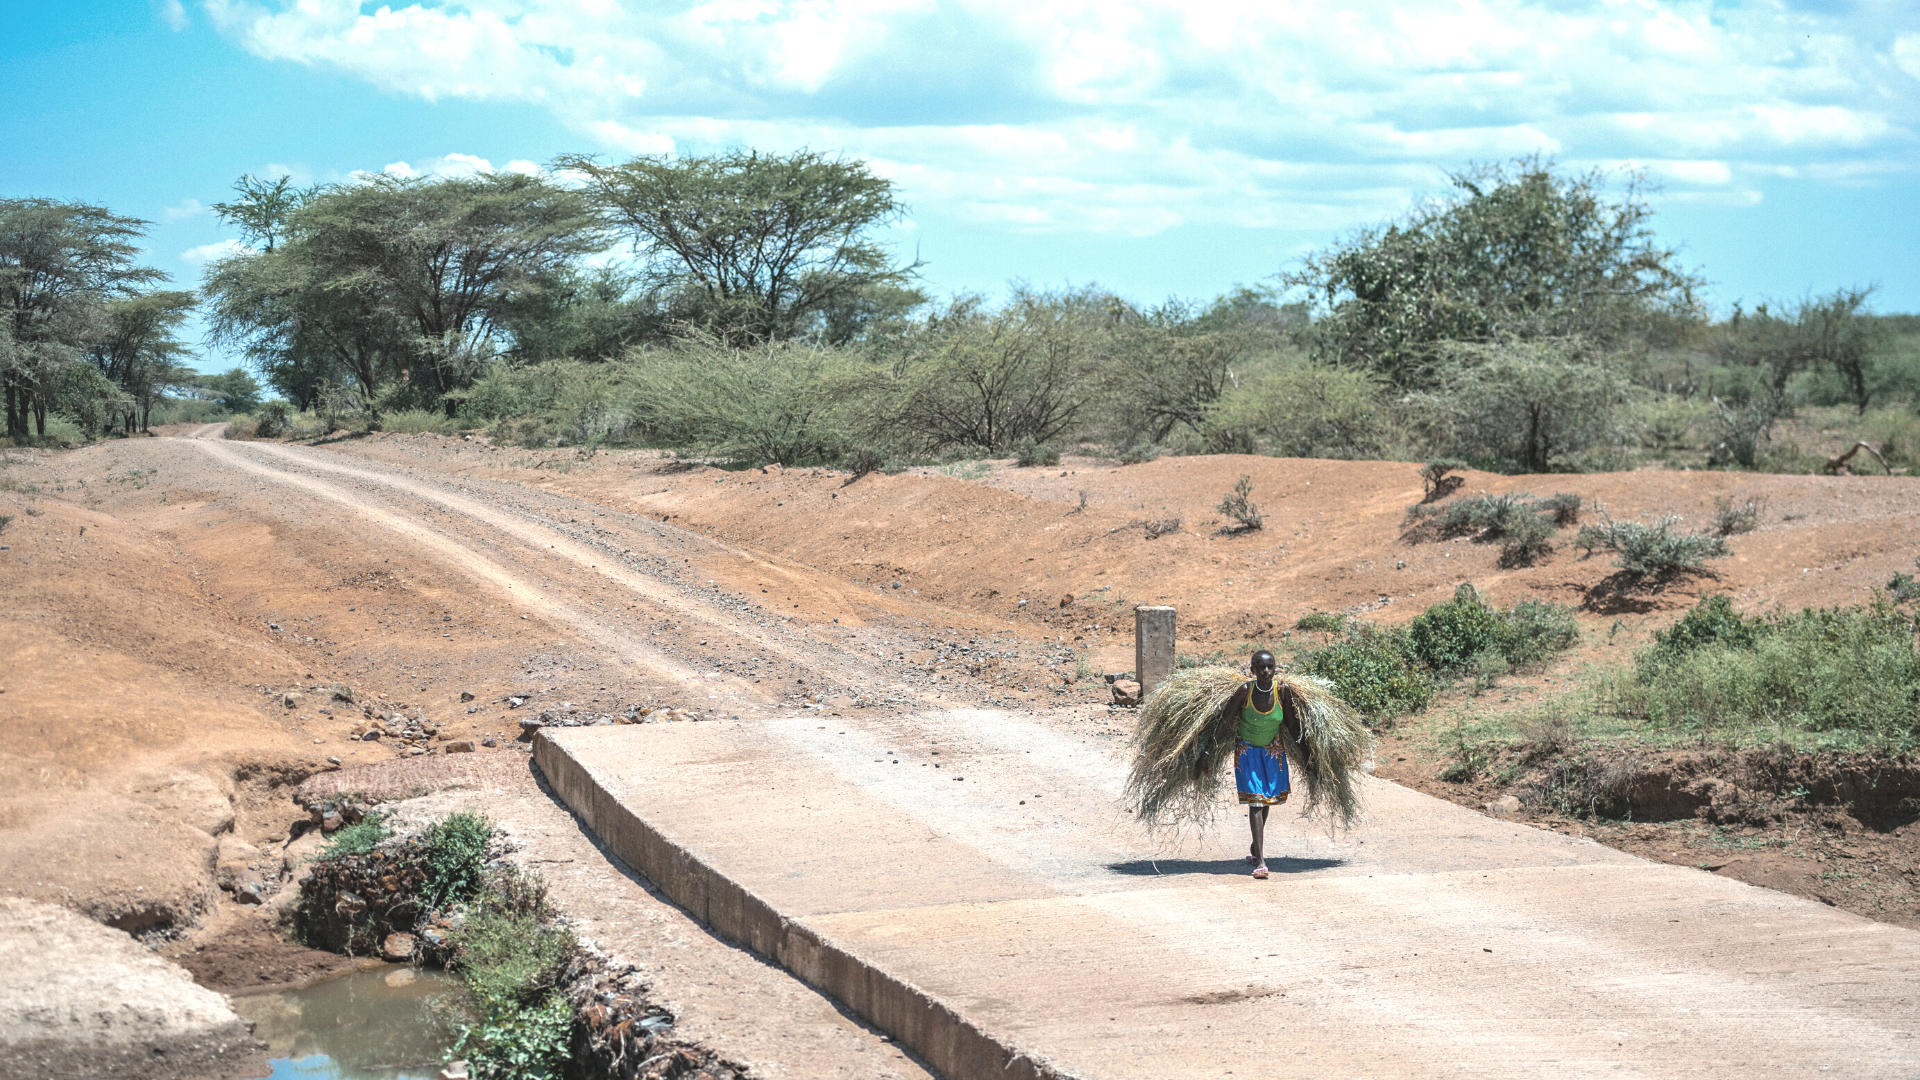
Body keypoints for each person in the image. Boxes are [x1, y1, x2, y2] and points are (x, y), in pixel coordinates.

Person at [1223, 649, 1305, 879]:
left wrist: (1307, 753)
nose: (1266, 671)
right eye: (1261, 667)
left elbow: (1291, 723)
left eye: (1270, 667)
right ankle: (1260, 861)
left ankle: (1254, 847)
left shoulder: (1282, 691)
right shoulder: (1245, 691)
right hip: (1247, 751)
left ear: (1275, 669)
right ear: (1252, 670)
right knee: (1256, 803)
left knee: (1267, 799)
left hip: (1272, 751)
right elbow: (1227, 719)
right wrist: (1207, 751)